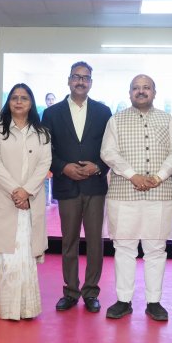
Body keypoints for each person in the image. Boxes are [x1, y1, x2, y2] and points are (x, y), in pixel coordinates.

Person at [100, 75, 172, 321]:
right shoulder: (116, 120)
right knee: (124, 248)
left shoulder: (168, 120)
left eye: (146, 87)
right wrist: (132, 175)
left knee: (156, 249)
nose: (141, 91)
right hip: (123, 194)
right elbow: (108, 152)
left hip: (160, 194)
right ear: (129, 93)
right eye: (136, 88)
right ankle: (123, 300)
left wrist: (158, 176)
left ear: (154, 92)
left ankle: (154, 302)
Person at [41, 61, 112, 313]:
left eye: (85, 77)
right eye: (76, 77)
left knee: (95, 242)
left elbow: (111, 148)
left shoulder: (103, 112)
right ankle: (71, 291)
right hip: (67, 185)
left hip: (95, 186)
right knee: (69, 241)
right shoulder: (51, 113)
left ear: (91, 82)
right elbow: (45, 150)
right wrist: (63, 167)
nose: (81, 81)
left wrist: (98, 167)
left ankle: (91, 292)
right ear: (69, 80)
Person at [0, 84, 52, 320]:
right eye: (14, 97)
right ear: (9, 102)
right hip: (6, 199)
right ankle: (7, 308)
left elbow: (44, 164)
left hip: (30, 201)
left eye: (24, 98)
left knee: (26, 253)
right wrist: (16, 191)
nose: (19, 101)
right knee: (7, 255)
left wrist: (27, 192)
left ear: (31, 103)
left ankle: (27, 308)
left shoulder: (42, 133)